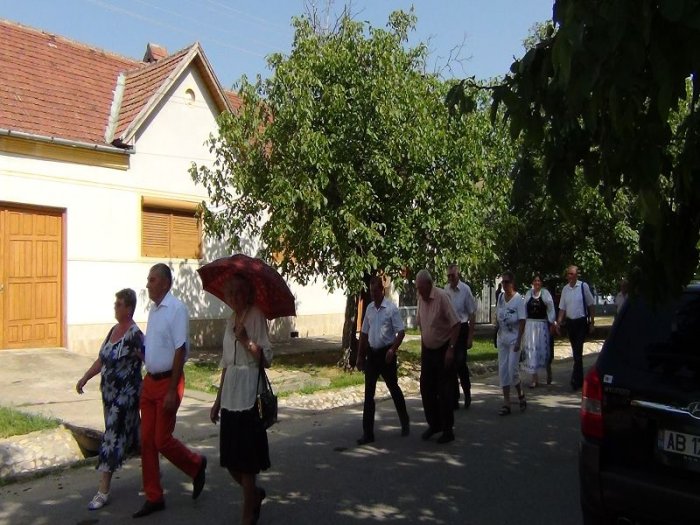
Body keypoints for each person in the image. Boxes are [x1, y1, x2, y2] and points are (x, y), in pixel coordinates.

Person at [133, 263, 207, 519]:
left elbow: (180, 349)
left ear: (165, 283)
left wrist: (172, 390)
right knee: (146, 441)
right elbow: (157, 345)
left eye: (152, 280)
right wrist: (144, 356)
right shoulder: (154, 310)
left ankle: (196, 464)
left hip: (168, 382)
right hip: (150, 382)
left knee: (161, 439)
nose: (148, 284)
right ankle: (154, 496)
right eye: (148, 279)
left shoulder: (176, 309)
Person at [210, 275, 271, 525]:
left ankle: (247, 516)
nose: (234, 297)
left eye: (238, 292)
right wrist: (217, 401)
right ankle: (254, 495)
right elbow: (226, 363)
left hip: (248, 395)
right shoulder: (230, 320)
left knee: (246, 463)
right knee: (230, 461)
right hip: (230, 396)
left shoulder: (256, 316)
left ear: (247, 293)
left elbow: (266, 359)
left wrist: (246, 340)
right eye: (230, 293)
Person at [75, 288, 143, 511]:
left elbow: (148, 358)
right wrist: (85, 377)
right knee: (134, 436)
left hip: (125, 397)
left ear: (129, 308)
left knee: (111, 438)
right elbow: (102, 360)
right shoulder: (113, 330)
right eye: (116, 304)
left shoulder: (134, 334)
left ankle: (103, 490)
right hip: (109, 396)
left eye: (119, 304)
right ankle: (152, 471)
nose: (115, 307)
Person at [355, 275, 409, 445]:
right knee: (368, 394)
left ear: (382, 290)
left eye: (375, 291)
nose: (373, 295)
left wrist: (393, 349)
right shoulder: (369, 309)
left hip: (386, 354)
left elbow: (401, 332)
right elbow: (364, 334)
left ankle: (405, 421)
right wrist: (360, 356)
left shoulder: (391, 309)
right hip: (372, 354)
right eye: (371, 292)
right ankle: (367, 433)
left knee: (393, 388)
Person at [415, 269, 460, 444]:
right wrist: (422, 349)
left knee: (444, 391)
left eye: (421, 288)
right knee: (426, 388)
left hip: (443, 348)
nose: (419, 291)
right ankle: (434, 424)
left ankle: (448, 430)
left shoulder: (441, 297)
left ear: (429, 284)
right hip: (428, 350)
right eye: (418, 288)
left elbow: (456, 324)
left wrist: (451, 349)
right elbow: (422, 327)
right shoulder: (421, 299)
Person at [555, 265, 595, 391]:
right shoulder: (565, 289)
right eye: (568, 274)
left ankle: (575, 379)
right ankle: (579, 378)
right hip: (570, 323)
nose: (569, 276)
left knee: (578, 349)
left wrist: (592, 322)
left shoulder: (583, 286)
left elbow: (591, 304)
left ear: (577, 275)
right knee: (576, 351)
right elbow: (562, 308)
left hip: (581, 322)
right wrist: (558, 322)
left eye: (571, 274)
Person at [444, 264, 477, 409]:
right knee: (449, 364)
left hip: (462, 328)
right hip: (449, 330)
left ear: (458, 275)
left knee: (460, 363)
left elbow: (472, 314)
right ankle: (454, 397)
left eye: (453, 275)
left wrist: (470, 336)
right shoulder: (445, 290)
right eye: (449, 276)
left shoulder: (465, 290)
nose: (451, 278)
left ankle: (467, 392)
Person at [495, 271, 527, 416]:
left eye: (507, 282)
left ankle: (520, 393)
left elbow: (522, 321)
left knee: (512, 370)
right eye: (503, 282)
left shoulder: (518, 299)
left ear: (512, 283)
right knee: (503, 371)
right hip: (502, 338)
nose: (504, 284)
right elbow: (498, 316)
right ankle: (506, 403)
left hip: (514, 339)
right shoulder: (501, 297)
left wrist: (519, 340)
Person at [521, 274, 556, 389]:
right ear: (532, 282)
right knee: (532, 352)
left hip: (541, 325)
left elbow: (551, 309)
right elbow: (524, 310)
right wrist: (523, 323)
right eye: (535, 281)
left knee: (543, 351)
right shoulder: (528, 294)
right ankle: (534, 379)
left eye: (539, 281)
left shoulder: (545, 294)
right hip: (530, 325)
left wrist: (551, 322)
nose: (537, 283)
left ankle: (548, 371)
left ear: (541, 283)